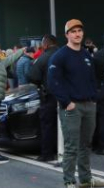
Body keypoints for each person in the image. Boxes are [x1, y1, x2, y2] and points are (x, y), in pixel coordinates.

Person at [47, 19, 104, 188]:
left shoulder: (86, 55)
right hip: (71, 108)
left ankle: (86, 179)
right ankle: (69, 181)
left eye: (79, 30)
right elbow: (53, 82)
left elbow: (93, 79)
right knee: (72, 146)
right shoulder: (59, 56)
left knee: (86, 145)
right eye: (73, 31)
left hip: (89, 105)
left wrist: (94, 98)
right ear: (67, 35)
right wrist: (67, 102)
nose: (77, 34)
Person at [28, 34, 59, 163]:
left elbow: (33, 77)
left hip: (49, 96)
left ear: (45, 45)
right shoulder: (64, 54)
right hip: (68, 95)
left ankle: (47, 154)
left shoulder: (43, 58)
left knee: (47, 125)